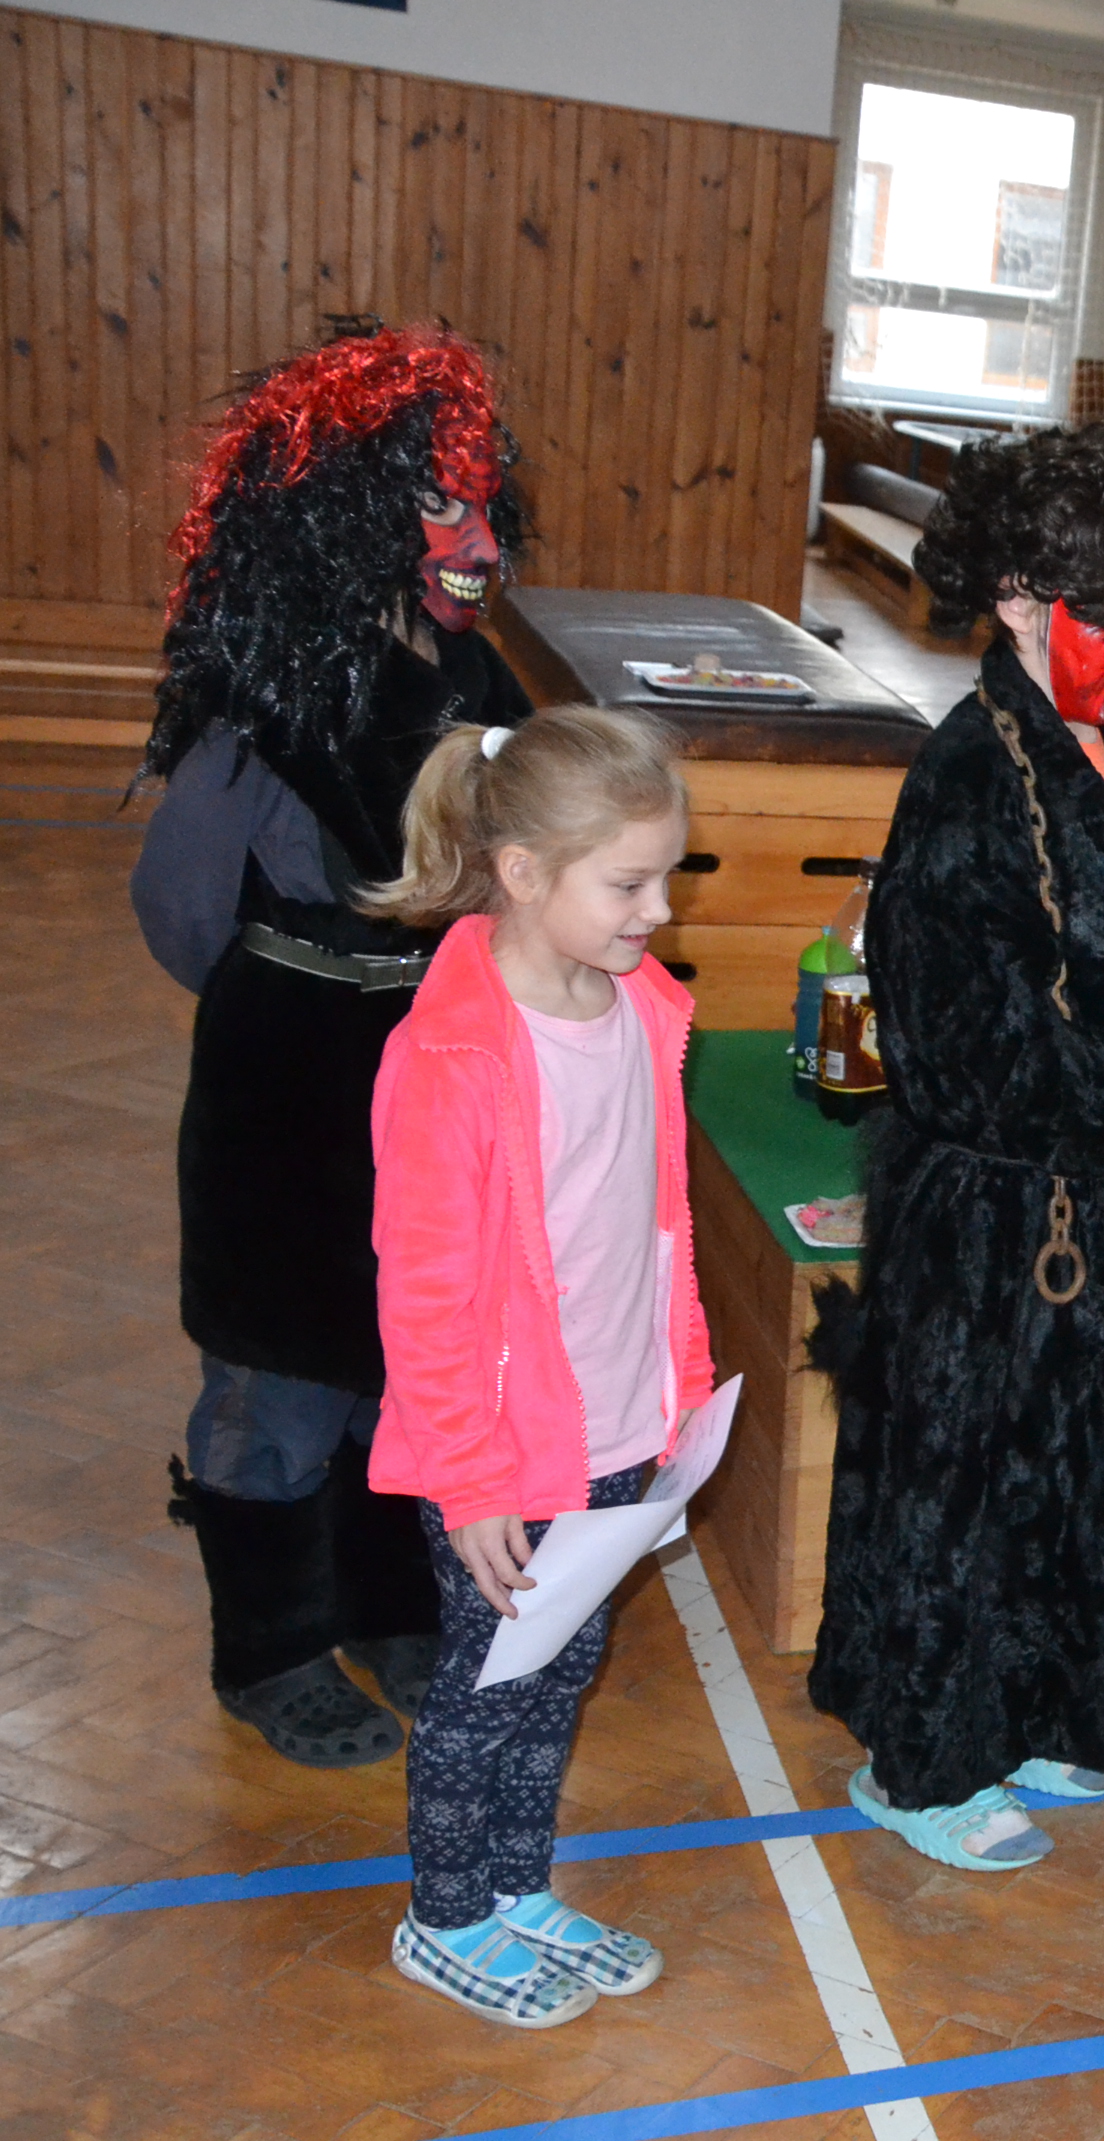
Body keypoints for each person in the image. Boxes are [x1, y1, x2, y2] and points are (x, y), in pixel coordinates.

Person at [806, 423, 1104, 1871]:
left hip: (1098, 1205)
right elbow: (972, 1053)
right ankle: (924, 1759)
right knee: (968, 1484)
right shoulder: (966, 781)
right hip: (997, 1220)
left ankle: (1052, 1705)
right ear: (1013, 598)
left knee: (1088, 1467)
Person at [131, 322, 539, 1768]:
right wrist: (299, 995)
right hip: (290, 1081)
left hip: (432, 1063)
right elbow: (183, 908)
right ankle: (272, 1647)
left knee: (407, 1351)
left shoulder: (481, 686)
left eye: (484, 503)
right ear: (346, 518)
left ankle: (386, 1605)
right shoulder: (266, 703)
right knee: (278, 1374)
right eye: (440, 505)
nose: (477, 541)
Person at [363, 707, 711, 2028]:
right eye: (629, 884)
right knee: (482, 1698)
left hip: (616, 1426)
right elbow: (426, 1297)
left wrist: (676, 1396)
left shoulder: (640, 1010)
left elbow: (651, 1226)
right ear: (521, 874)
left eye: (665, 877)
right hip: (502, 1457)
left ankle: (516, 1888)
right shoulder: (450, 1057)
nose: (659, 912)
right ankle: (445, 1917)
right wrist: (468, 1482)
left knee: (559, 1674)